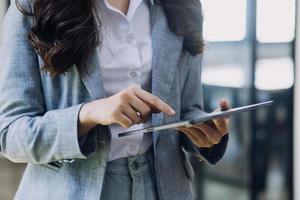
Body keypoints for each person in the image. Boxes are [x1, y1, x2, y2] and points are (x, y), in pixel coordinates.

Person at [0, 0, 230, 199]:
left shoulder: (182, 7)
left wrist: (203, 129)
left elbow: (189, 108)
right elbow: (10, 135)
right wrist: (87, 114)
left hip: (165, 186)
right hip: (72, 188)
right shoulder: (33, 7)